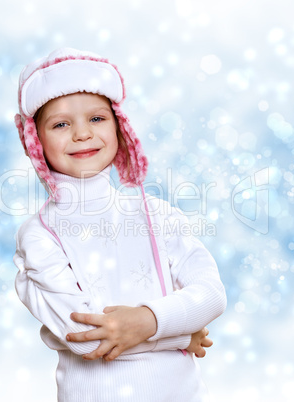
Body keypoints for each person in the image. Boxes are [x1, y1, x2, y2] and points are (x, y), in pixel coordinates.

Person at [13, 47, 227, 402]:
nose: (82, 134)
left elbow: (211, 294)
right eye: (61, 124)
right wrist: (177, 333)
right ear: (35, 142)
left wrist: (146, 321)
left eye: (96, 118)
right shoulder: (40, 235)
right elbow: (87, 338)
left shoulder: (155, 214)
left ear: (119, 127)